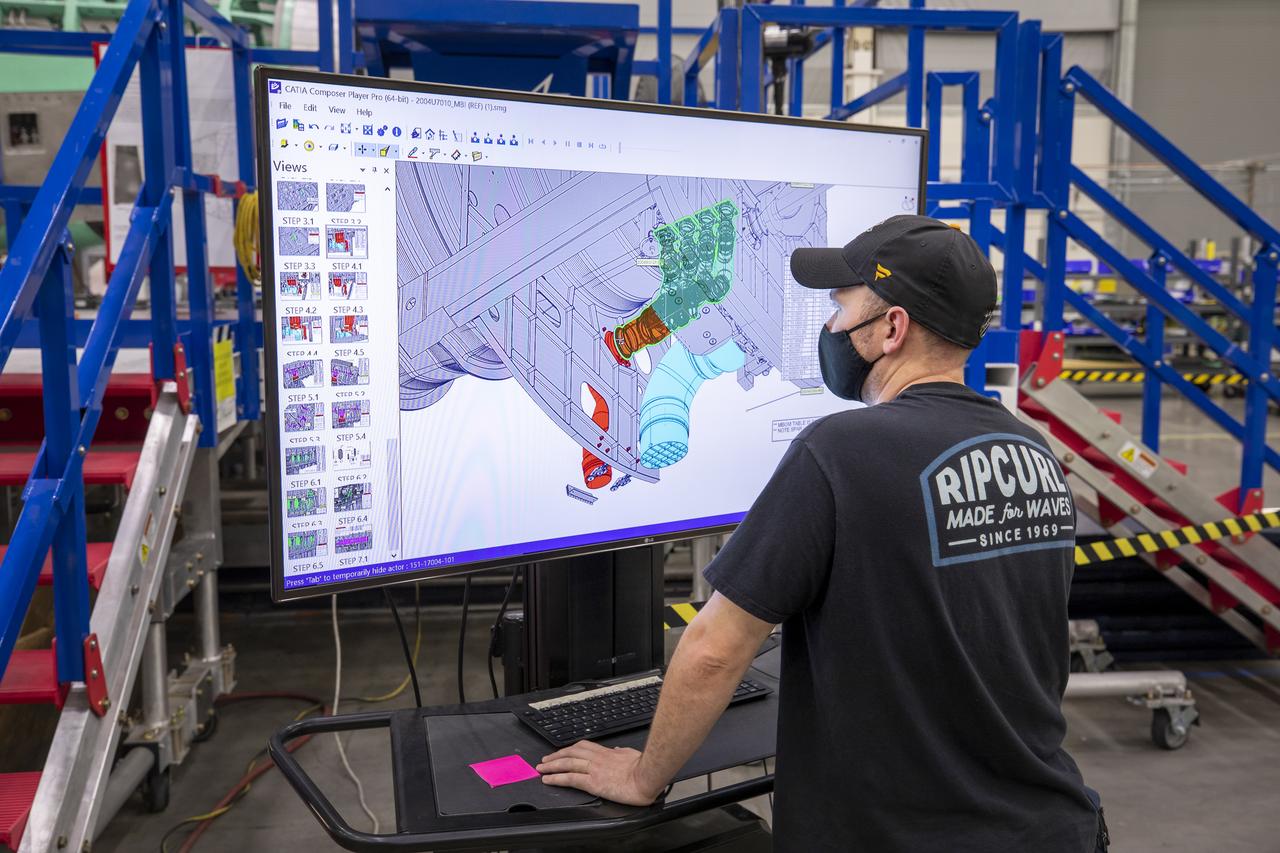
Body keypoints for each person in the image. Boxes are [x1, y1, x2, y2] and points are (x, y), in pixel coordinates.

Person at [537, 215, 1107, 852]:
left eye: (840, 308)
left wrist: (644, 776)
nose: (831, 327)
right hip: (1049, 825)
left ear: (891, 328)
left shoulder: (842, 450)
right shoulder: (1030, 449)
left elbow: (717, 649)